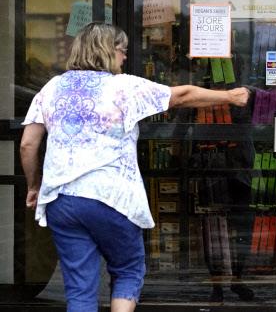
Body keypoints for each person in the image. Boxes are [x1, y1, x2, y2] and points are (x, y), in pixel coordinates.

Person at [19, 22, 250, 312]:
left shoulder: (52, 88)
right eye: (122, 50)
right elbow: (181, 96)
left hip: (63, 201)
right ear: (106, 51)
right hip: (112, 199)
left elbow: (28, 144)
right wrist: (230, 96)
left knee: (79, 290)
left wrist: (33, 185)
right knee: (128, 271)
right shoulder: (123, 87)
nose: (125, 57)